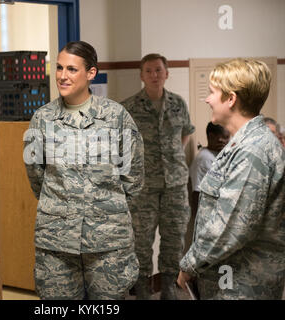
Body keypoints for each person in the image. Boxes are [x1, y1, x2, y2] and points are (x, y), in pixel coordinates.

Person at [24, 41, 144, 299]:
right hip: (56, 240)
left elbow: (133, 177)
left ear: (91, 73)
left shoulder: (116, 116)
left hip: (108, 241)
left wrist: (105, 209)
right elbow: (36, 175)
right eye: (58, 68)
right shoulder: (42, 118)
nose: (62, 76)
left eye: (71, 69)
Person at [177, 58, 285, 299]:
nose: (207, 99)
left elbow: (231, 226)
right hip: (230, 276)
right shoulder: (242, 144)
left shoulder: (253, 151)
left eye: (212, 93)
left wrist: (190, 264)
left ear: (231, 99)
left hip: (242, 283)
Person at [121, 53, 195, 299]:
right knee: (141, 244)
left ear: (166, 73)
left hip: (175, 186)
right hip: (143, 189)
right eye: (149, 71)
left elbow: (184, 136)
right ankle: (142, 290)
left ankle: (170, 289)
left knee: (174, 241)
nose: (154, 75)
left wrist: (171, 160)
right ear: (142, 76)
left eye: (158, 70)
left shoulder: (178, 104)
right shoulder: (128, 107)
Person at [189, 122, 230, 213]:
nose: (227, 141)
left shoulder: (219, 155)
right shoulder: (204, 159)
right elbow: (196, 193)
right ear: (211, 136)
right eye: (225, 137)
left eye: (228, 138)